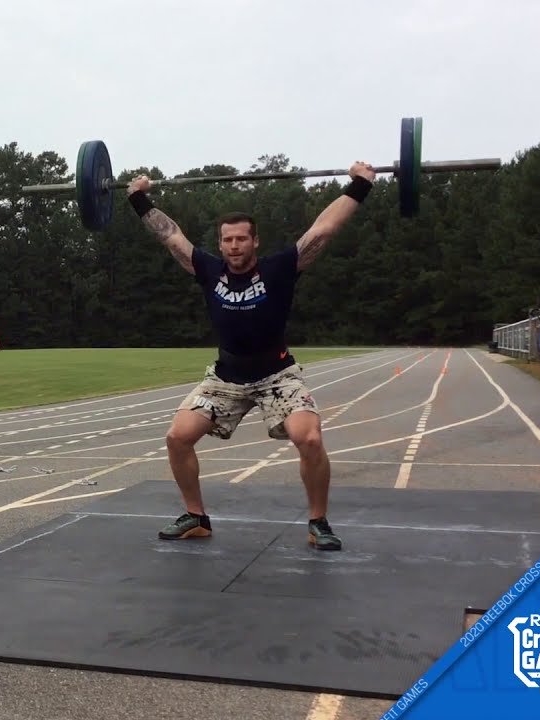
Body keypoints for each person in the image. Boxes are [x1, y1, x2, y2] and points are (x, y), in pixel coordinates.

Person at [126, 161, 377, 551]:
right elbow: (171, 236)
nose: (234, 246)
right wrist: (139, 199)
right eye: (227, 240)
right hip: (226, 377)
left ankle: (318, 522)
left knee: (308, 438)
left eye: (241, 239)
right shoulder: (208, 270)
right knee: (177, 437)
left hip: (278, 374)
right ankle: (196, 517)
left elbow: (323, 230)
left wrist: (361, 185)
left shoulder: (279, 269)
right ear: (221, 242)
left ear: (254, 242)